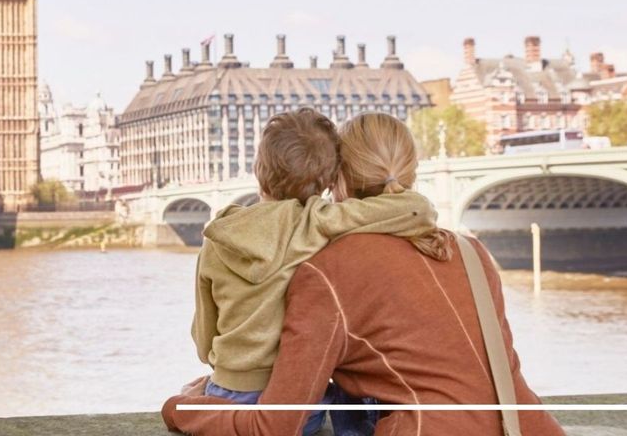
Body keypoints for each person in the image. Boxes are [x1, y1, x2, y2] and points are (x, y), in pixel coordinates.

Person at [163, 112, 565, 436]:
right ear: (410, 173)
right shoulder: (471, 251)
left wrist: (180, 408)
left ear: (337, 181)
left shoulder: (329, 271)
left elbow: (276, 423)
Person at [187, 109, 448, 435]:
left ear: (257, 169)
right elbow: (415, 209)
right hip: (298, 405)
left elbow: (203, 341)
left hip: (227, 390)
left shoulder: (218, 236)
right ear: (327, 182)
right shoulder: (315, 224)